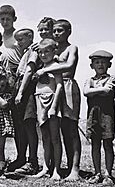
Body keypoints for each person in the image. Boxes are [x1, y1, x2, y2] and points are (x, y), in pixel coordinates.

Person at [33, 19, 81, 181]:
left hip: (67, 87)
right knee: (51, 131)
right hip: (51, 89)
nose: (57, 34)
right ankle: (55, 167)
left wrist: (45, 69)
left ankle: (74, 168)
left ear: (69, 31)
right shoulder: (49, 48)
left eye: (60, 30)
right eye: (54, 31)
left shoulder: (71, 48)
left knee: (71, 129)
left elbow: (68, 65)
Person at [83, 50, 115, 185]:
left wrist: (93, 91)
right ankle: (97, 173)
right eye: (97, 62)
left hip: (106, 116)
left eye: (103, 62)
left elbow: (108, 90)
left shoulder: (111, 79)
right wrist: (99, 90)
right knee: (95, 145)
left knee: (107, 144)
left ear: (109, 64)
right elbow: (86, 92)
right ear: (92, 66)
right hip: (93, 116)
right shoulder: (89, 80)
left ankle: (108, 174)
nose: (100, 65)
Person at [11, 28, 40, 175]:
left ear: (30, 37)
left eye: (21, 39)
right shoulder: (24, 52)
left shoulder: (33, 51)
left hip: (27, 89)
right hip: (19, 85)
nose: (18, 43)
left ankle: (32, 161)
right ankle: (20, 157)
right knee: (19, 126)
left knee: (29, 124)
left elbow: (29, 71)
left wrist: (21, 92)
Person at [34, 38, 63, 180]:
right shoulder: (40, 68)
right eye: (41, 52)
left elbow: (59, 86)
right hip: (39, 101)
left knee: (55, 138)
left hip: (51, 102)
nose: (43, 55)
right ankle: (46, 167)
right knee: (45, 137)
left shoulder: (55, 66)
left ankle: (56, 170)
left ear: (54, 51)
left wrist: (54, 107)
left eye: (47, 51)